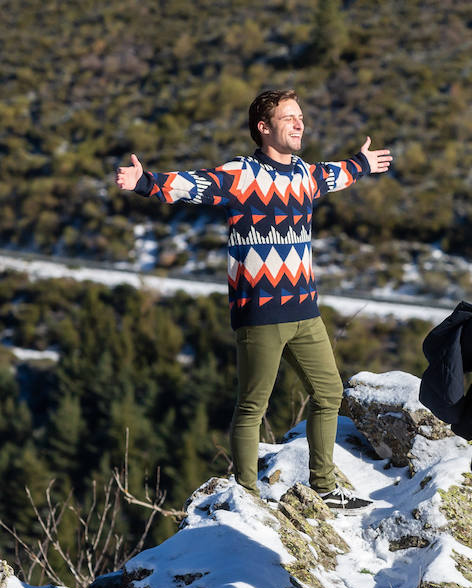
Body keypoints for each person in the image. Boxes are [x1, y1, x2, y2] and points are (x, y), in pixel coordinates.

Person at [113, 89, 391, 510]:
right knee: (252, 407)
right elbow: (194, 185)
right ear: (263, 128)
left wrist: (363, 163)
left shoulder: (304, 173)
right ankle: (247, 496)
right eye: (289, 118)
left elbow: (336, 174)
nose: (300, 124)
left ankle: (323, 484)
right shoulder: (241, 174)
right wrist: (146, 183)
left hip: (305, 310)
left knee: (330, 392)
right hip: (259, 313)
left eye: (301, 116)